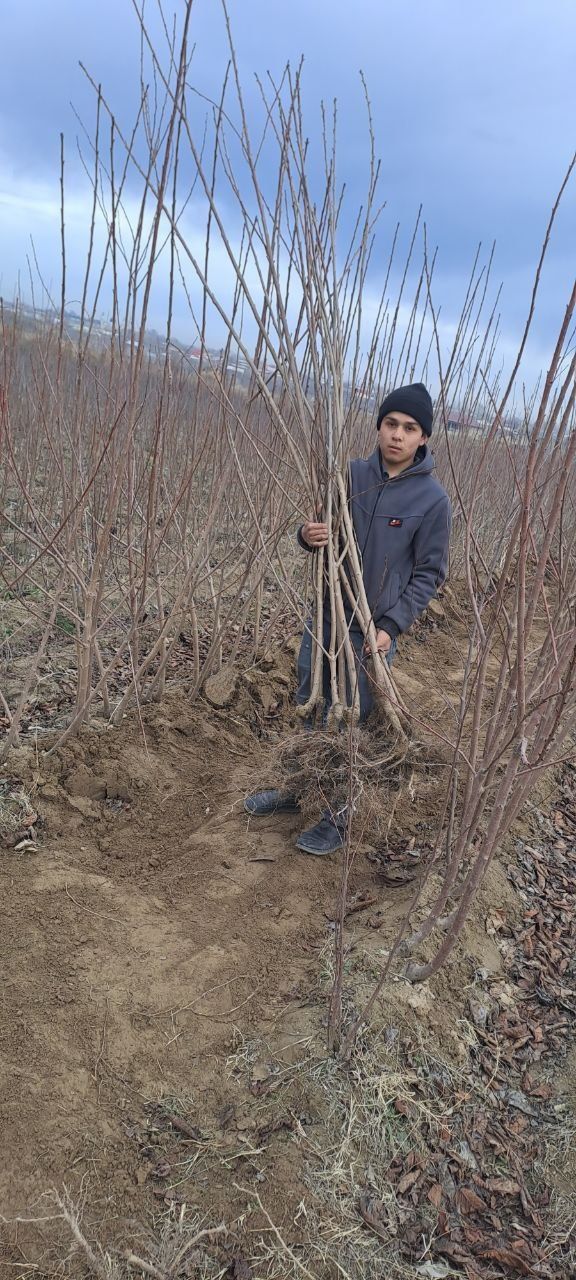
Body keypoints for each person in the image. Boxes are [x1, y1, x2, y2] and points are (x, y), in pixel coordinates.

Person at [244, 381, 452, 855]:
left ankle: (340, 813)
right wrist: (306, 534)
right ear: (379, 427)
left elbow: (429, 573)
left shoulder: (432, 501)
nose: (398, 434)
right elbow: (316, 528)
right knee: (309, 696)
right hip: (326, 612)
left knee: (355, 712)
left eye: (410, 428)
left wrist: (391, 626)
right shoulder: (349, 476)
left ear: (424, 437)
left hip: (373, 628)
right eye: (391, 424)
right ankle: (298, 788)